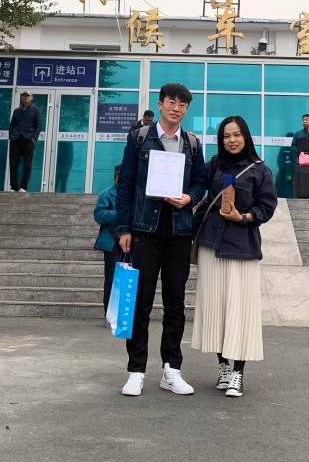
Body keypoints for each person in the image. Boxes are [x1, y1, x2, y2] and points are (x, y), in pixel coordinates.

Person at [115, 83, 208, 398]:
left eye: (183, 104)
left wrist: (189, 197)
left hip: (179, 232)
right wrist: (124, 229)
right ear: (160, 104)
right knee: (140, 302)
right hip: (144, 230)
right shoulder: (140, 138)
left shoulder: (192, 144)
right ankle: (136, 370)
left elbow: (200, 181)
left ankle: (172, 369)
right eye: (171, 102)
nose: (176, 108)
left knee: (175, 303)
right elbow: (126, 184)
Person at [191, 116, 278, 398]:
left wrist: (244, 217)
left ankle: (238, 372)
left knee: (239, 312)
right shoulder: (215, 165)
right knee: (216, 310)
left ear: (246, 136)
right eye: (226, 136)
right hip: (211, 246)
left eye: (237, 134)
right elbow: (195, 184)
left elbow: (267, 206)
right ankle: (223, 367)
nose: (232, 140)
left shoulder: (260, 170)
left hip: (242, 248)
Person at [94, 165, 122, 316]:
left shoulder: (133, 194)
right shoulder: (107, 194)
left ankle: (123, 312)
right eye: (119, 175)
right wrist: (120, 214)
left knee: (127, 279)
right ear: (115, 176)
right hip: (111, 243)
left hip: (130, 242)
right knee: (111, 279)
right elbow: (99, 215)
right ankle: (109, 313)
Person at [8, 92, 42, 193]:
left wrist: (33, 138)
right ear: (22, 98)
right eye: (24, 96)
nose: (26, 98)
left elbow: (38, 126)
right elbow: (12, 125)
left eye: (28, 96)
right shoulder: (16, 111)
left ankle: (23, 187)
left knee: (27, 165)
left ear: (31, 98)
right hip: (16, 139)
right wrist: (11, 136)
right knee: (13, 164)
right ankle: (14, 187)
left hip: (28, 140)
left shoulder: (36, 110)